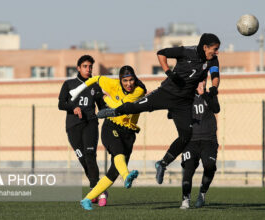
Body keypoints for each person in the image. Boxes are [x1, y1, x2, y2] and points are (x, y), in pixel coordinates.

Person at [87, 33, 221, 184]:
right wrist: (169, 72)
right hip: (166, 93)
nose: (216, 52)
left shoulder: (213, 59)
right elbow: (161, 53)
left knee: (186, 136)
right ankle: (114, 111)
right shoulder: (186, 51)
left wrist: (214, 88)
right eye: (215, 49)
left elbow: (215, 74)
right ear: (205, 47)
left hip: (183, 103)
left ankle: (162, 164)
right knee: (138, 106)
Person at [74, 65, 146, 210]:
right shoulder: (113, 83)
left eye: (131, 80)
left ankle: (86, 199)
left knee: (113, 173)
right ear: (120, 80)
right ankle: (126, 176)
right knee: (118, 152)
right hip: (111, 127)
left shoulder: (139, 90)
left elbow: (121, 106)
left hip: (129, 133)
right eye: (125, 81)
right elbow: (96, 79)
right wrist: (77, 90)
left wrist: (105, 98)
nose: (128, 84)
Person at [58, 55, 107, 206]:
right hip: (73, 126)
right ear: (78, 68)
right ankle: (100, 189)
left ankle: (94, 189)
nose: (88, 69)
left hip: (90, 124)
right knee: (83, 158)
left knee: (90, 154)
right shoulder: (69, 84)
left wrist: (110, 104)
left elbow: (102, 107)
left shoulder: (95, 85)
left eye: (90, 66)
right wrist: (74, 107)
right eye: (85, 66)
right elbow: (61, 104)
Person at [179, 81, 220, 209]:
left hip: (209, 140)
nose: (201, 83)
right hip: (190, 140)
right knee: (188, 169)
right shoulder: (186, 97)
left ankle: (202, 194)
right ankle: (185, 199)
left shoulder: (210, 94)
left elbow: (216, 108)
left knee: (209, 165)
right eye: (198, 80)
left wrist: (205, 95)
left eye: (203, 80)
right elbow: (171, 114)